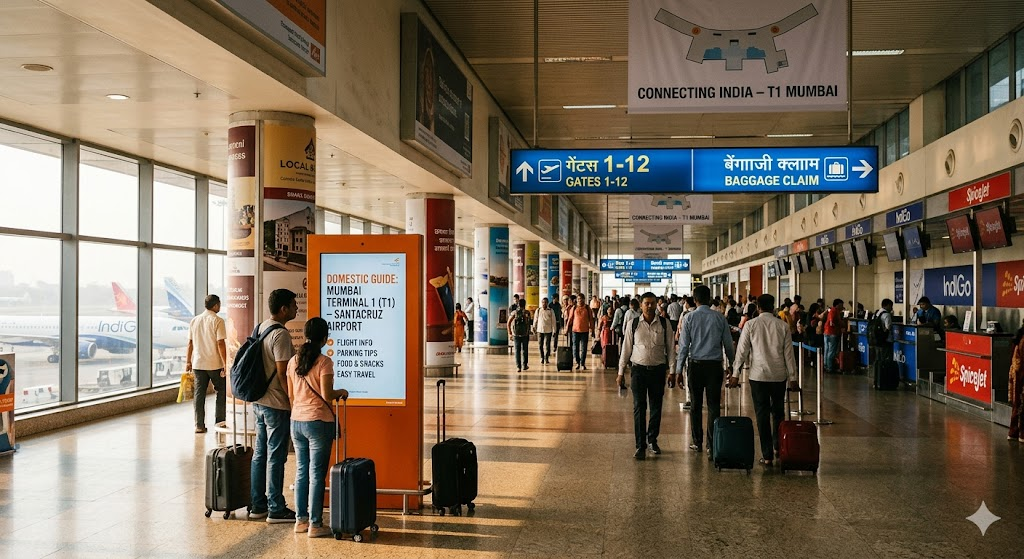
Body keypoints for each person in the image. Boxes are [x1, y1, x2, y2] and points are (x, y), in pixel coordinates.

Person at [286, 317, 349, 538]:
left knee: (301, 472)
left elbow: (291, 396)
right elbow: (326, 394)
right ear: (325, 337)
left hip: (297, 421)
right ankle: (315, 524)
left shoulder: (293, 362)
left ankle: (300, 521)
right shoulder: (324, 362)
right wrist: (341, 391)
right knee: (316, 474)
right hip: (318, 422)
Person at [730, 294, 799, 466]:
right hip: (778, 376)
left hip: (758, 376)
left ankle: (767, 454)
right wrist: (793, 377)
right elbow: (789, 355)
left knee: (761, 414)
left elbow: (742, 351)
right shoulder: (782, 326)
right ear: (773, 306)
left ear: (758, 307)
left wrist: (735, 374)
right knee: (778, 412)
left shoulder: (751, 325)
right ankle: (779, 447)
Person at [250, 288, 298, 523]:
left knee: (260, 454)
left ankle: (257, 505)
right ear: (283, 309)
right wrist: (292, 400)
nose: (296, 308)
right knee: (276, 456)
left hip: (258, 401)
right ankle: (276, 508)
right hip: (276, 404)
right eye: (293, 305)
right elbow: (282, 372)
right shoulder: (281, 335)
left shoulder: (260, 327)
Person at [676, 285, 735, 455]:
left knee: (695, 405)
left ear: (694, 300)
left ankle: (697, 441)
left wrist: (679, 370)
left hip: (696, 366)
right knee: (713, 406)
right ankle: (712, 443)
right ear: (709, 299)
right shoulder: (719, 318)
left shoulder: (689, 318)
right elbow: (728, 345)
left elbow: (684, 346)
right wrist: (732, 365)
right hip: (715, 367)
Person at [618, 292, 675, 460]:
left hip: (658, 371)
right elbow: (626, 349)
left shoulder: (664, 324)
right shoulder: (633, 324)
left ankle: (652, 440)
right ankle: (640, 445)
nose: (649, 306)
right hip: (638, 371)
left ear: (657, 304)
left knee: (656, 407)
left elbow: (671, 349)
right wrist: (621, 372)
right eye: (646, 303)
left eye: (652, 303)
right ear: (641, 305)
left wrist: (672, 371)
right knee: (639, 407)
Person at [186, 294, 227, 434]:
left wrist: (188, 361)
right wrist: (226, 363)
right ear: (216, 305)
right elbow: (220, 343)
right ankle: (220, 422)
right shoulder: (218, 321)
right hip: (214, 363)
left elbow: (190, 343)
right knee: (221, 391)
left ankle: (199, 425)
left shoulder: (195, 320)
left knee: (199, 394)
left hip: (198, 363)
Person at [871, 299, 894, 388]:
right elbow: (888, 327)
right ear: (887, 305)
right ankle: (884, 381)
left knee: (878, 360)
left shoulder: (876, 313)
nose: (891, 308)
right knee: (885, 361)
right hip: (886, 341)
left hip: (877, 341)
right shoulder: (887, 315)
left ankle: (877, 380)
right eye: (891, 306)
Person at [1008, 321, 1024, 442]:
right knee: (1021, 405)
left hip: (1017, 375)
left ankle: (1014, 432)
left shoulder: (1020, 337)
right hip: (1021, 375)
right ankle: (1021, 433)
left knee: (1017, 404)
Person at [823, 299, 846, 374]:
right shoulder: (834, 311)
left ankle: (826, 365)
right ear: (837, 305)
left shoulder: (833, 311)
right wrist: (839, 326)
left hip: (827, 332)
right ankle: (830, 367)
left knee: (827, 350)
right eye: (841, 305)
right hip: (832, 333)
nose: (842, 306)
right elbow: (831, 322)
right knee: (831, 351)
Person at [508, 301, 532, 372]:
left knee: (517, 351)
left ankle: (518, 367)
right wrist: (528, 331)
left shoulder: (514, 313)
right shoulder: (527, 312)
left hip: (516, 334)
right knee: (525, 350)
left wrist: (510, 333)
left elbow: (508, 323)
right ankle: (524, 365)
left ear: (518, 305)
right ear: (525, 305)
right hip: (525, 334)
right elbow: (529, 323)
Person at [570, 298, 593, 369]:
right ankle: (577, 362)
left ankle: (582, 363)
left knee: (584, 348)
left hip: (585, 331)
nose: (580, 300)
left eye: (581, 299)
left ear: (584, 300)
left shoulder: (587, 308)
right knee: (575, 348)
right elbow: (570, 318)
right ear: (576, 300)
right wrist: (566, 328)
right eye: (579, 299)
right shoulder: (574, 308)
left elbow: (591, 319)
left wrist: (592, 329)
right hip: (575, 330)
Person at [533, 298, 556, 364]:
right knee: (540, 345)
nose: (544, 304)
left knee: (547, 345)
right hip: (540, 330)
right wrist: (534, 327)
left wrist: (554, 330)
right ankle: (542, 357)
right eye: (543, 302)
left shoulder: (551, 311)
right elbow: (535, 319)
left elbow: (553, 321)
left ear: (547, 303)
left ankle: (546, 358)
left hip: (548, 330)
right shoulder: (538, 310)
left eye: (545, 302)